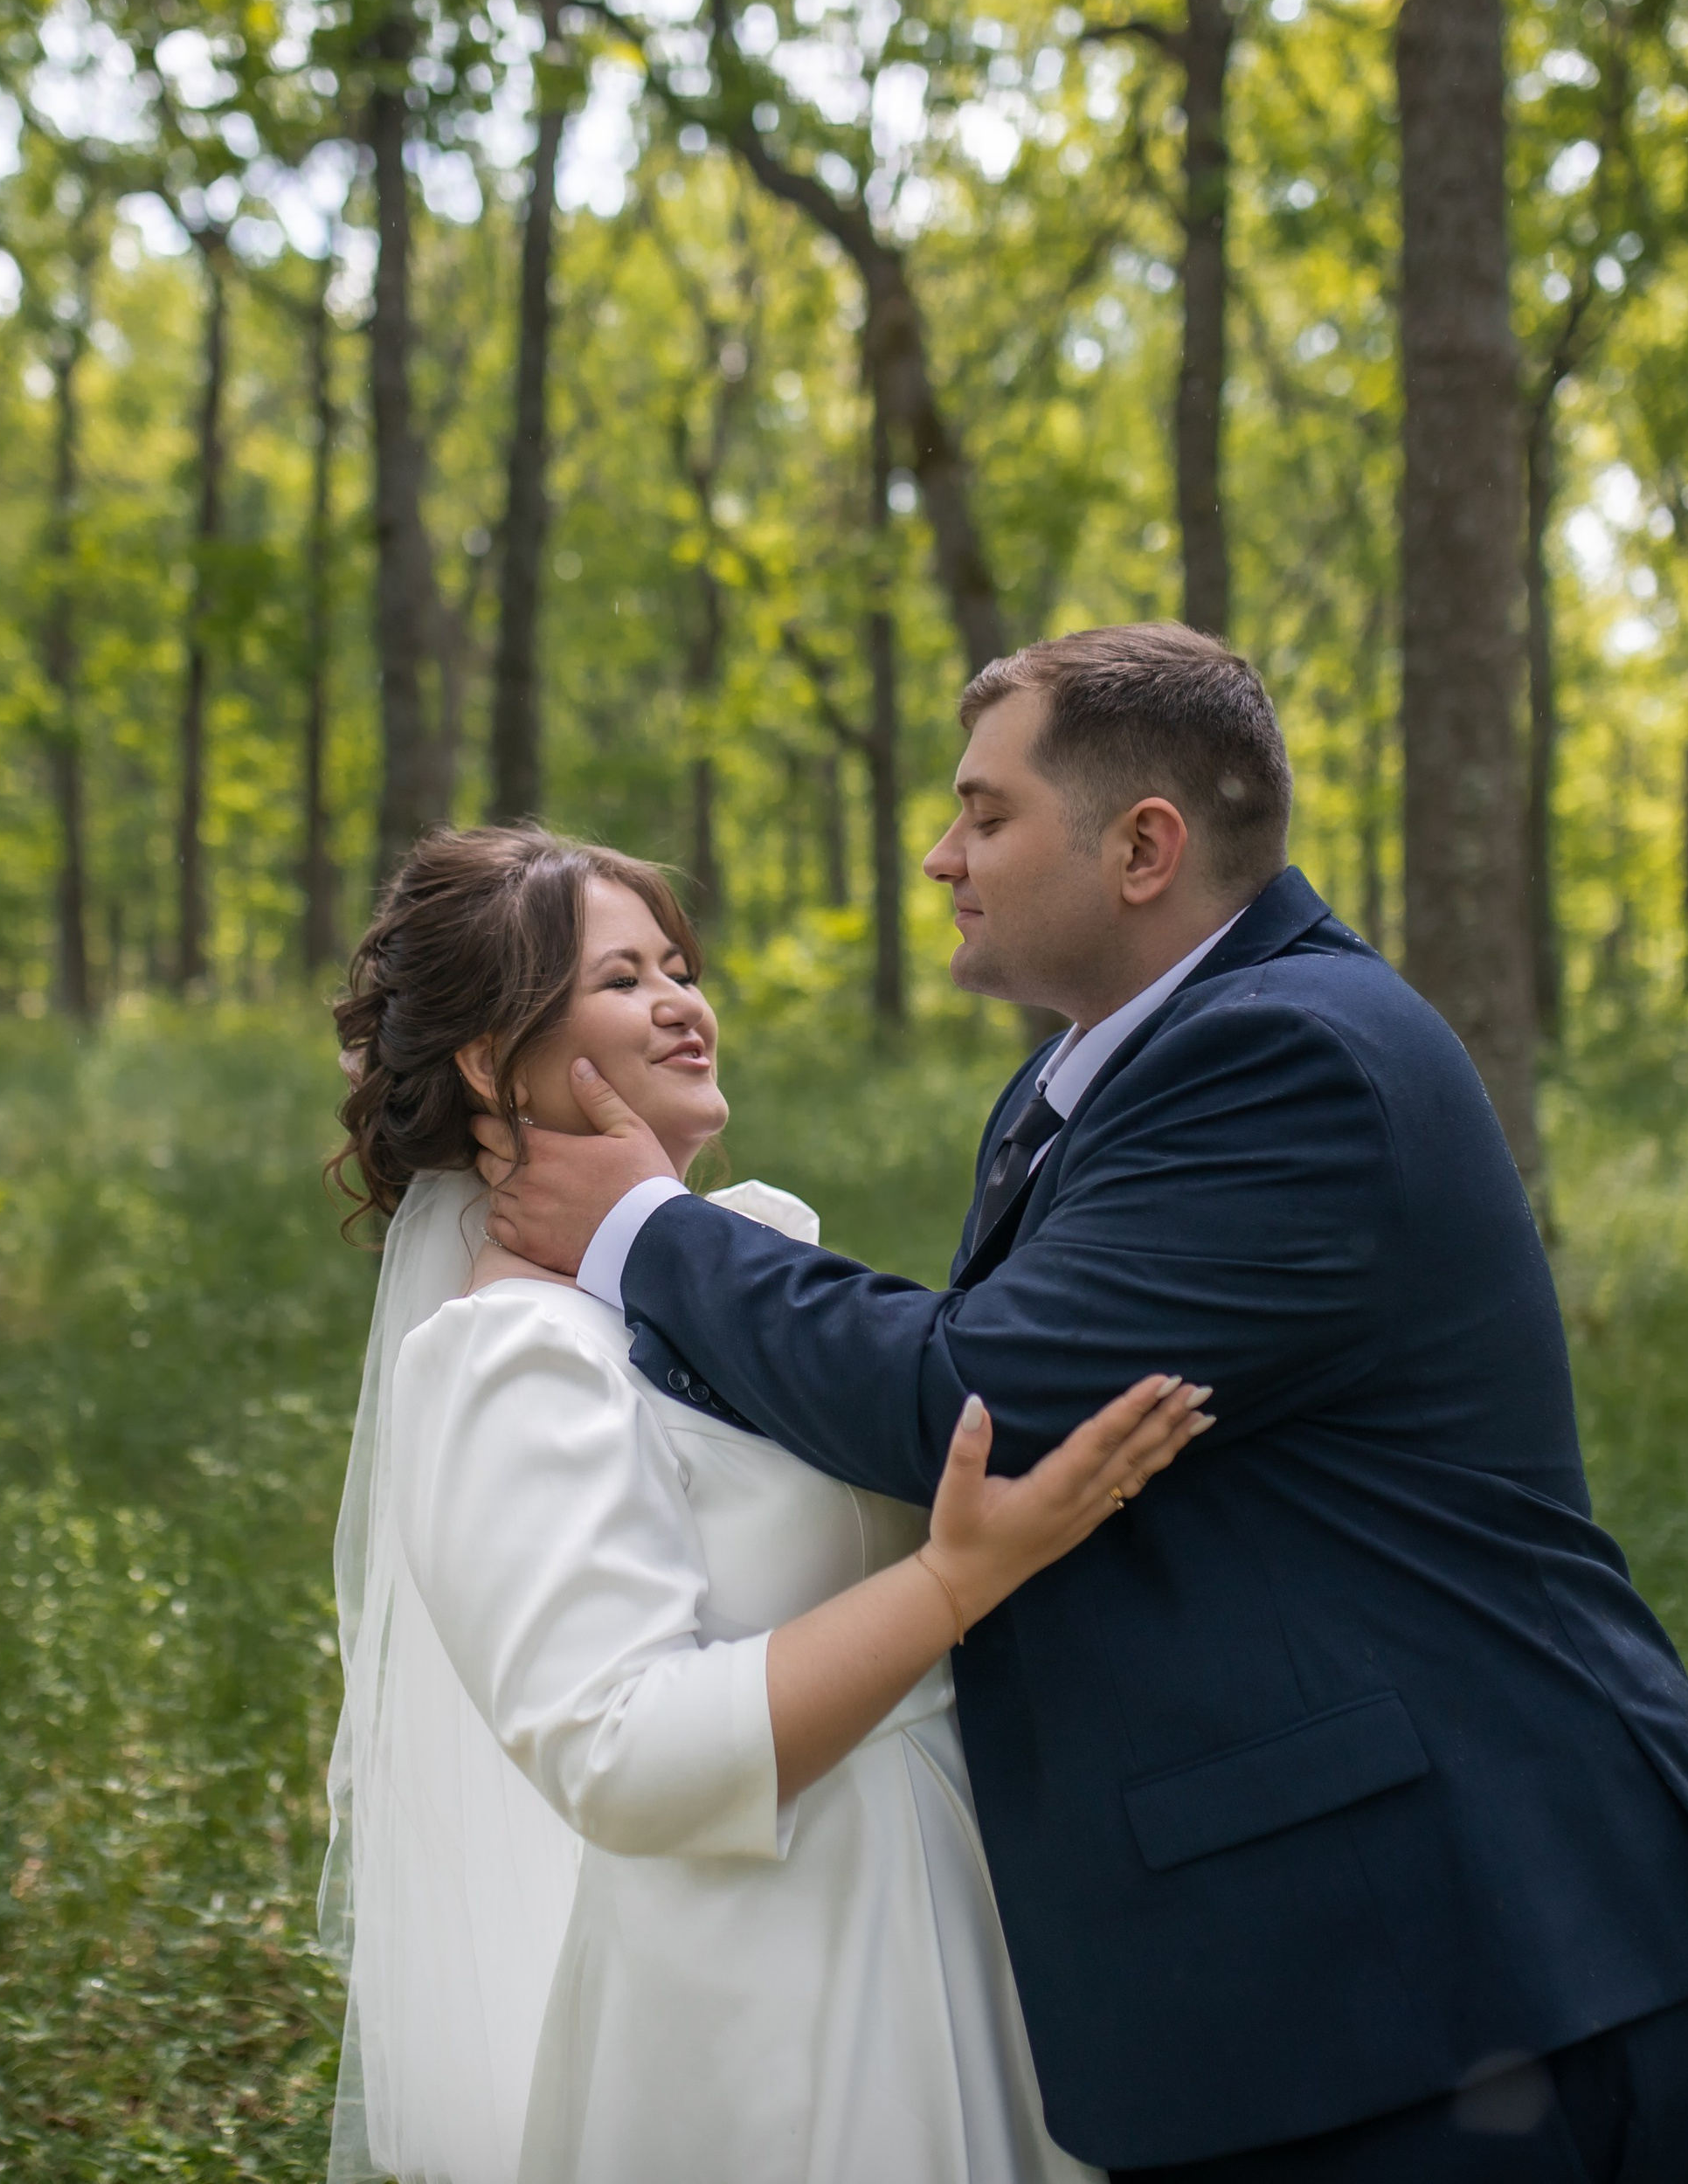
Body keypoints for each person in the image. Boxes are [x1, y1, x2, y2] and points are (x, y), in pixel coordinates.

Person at [476, 625, 1688, 2184]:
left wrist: (641, 1229)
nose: (937, 855)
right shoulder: (1090, 1080)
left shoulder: (1289, 1057)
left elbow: (980, 1399)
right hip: (1308, 1981)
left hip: (1469, 1969)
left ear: (1144, 847)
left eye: (985, 811)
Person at [316, 824, 1208, 2184]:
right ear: (492, 1063)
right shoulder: (512, 1360)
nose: (681, 1000)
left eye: (679, 964)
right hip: (775, 2001)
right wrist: (957, 1582)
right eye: (621, 981)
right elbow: (623, 1753)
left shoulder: (740, 1270)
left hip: (946, 1918)